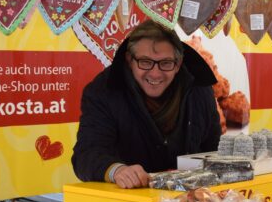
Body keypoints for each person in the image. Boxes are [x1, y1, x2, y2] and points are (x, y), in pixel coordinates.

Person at [72, 20, 221, 188]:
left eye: (165, 63)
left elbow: (213, 150)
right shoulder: (104, 91)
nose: (155, 73)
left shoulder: (200, 89)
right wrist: (117, 171)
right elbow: (86, 155)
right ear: (129, 60)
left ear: (178, 64)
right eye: (145, 62)